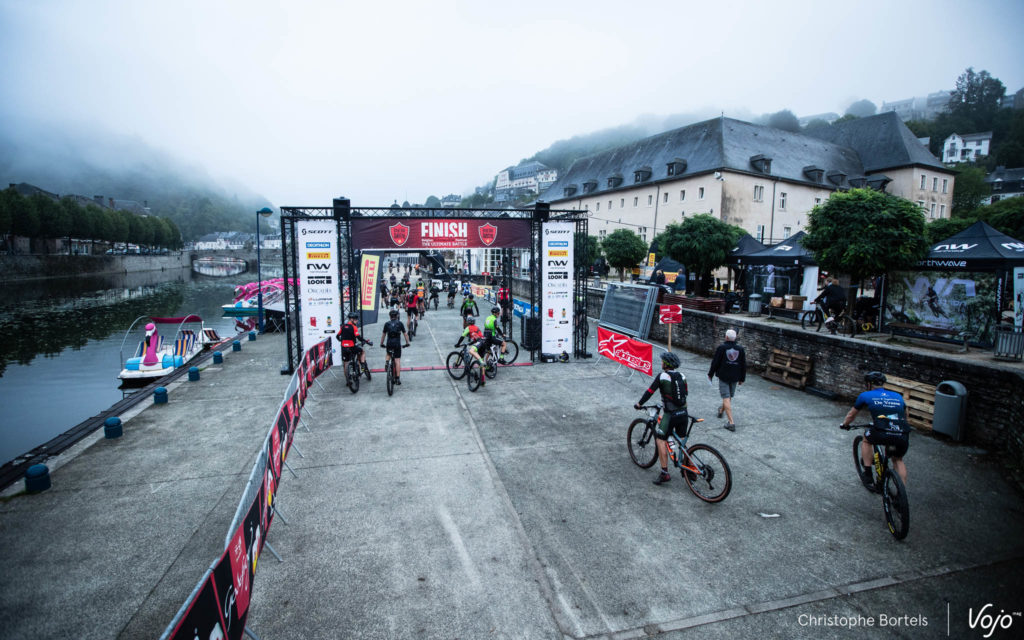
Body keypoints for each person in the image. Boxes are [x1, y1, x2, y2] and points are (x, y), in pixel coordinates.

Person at [841, 371, 910, 487]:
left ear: (869, 384)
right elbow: (906, 414)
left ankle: (868, 474)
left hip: (881, 432)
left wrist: (845, 424)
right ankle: (901, 492)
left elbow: (851, 415)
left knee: (867, 439)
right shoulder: (898, 396)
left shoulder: (865, 395)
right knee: (898, 460)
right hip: (901, 432)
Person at [634, 352, 688, 485]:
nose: (662, 363)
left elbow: (650, 392)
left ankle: (664, 473)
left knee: (660, 440)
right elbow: (685, 393)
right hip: (684, 413)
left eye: (663, 361)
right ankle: (690, 468)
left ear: (666, 364)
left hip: (671, 415)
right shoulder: (682, 376)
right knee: (682, 442)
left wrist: (639, 404)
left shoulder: (662, 376)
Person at [707, 329, 746, 432]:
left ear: (726, 337)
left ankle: (731, 422)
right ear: (735, 338)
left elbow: (715, 362)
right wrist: (742, 378)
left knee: (726, 397)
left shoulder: (722, 348)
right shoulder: (740, 349)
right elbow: (743, 365)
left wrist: (710, 374)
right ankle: (721, 410)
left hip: (723, 376)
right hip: (735, 377)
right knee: (728, 397)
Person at [454, 315, 488, 385]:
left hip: (480, 342)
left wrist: (458, 344)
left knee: (471, 351)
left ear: (467, 322)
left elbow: (462, 337)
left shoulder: (468, 328)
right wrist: (470, 343)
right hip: (483, 342)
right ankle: (483, 381)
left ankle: (481, 361)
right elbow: (477, 337)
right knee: (481, 364)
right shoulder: (476, 327)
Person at [337, 312, 371, 378]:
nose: (357, 321)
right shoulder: (354, 327)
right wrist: (365, 341)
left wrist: (342, 340)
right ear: (351, 319)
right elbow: (358, 337)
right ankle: (362, 364)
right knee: (362, 351)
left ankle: (348, 380)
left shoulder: (343, 326)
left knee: (345, 363)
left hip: (344, 347)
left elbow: (337, 336)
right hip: (351, 347)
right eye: (355, 319)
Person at [380, 309, 410, 384]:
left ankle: (387, 362)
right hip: (397, 344)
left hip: (389, 343)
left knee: (388, 353)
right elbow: (405, 334)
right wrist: (407, 343)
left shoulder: (387, 324)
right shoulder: (400, 323)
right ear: (397, 316)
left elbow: (383, 335)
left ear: (390, 316)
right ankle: (397, 378)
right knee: (397, 360)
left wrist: (381, 343)